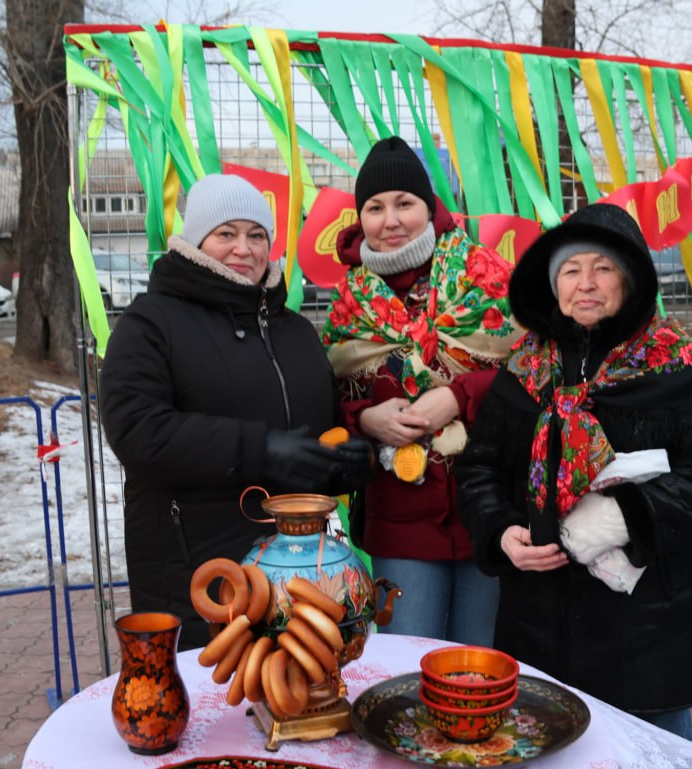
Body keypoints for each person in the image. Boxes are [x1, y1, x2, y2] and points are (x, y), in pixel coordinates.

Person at [455, 203, 692, 739]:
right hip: (540, 626)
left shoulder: (677, 367)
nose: (585, 283)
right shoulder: (523, 371)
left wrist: (624, 519)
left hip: (648, 632)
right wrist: (500, 532)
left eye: (602, 267)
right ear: (553, 284)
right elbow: (479, 470)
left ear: (630, 278)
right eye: (571, 269)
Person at [100, 173, 374, 651]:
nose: (243, 249)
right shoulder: (150, 323)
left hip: (295, 570)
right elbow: (138, 432)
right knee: (213, 708)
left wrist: (342, 464)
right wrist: (261, 448)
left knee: (294, 698)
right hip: (197, 574)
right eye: (225, 233)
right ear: (196, 241)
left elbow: (316, 433)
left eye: (256, 235)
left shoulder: (294, 331)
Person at [322, 137, 522, 646]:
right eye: (374, 207)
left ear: (429, 208)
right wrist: (364, 419)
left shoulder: (486, 280)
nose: (390, 220)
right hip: (401, 518)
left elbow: (533, 373)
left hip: (489, 507)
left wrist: (460, 396)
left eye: (404, 203)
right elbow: (325, 395)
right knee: (408, 667)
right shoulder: (350, 303)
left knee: (478, 668)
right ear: (360, 216)